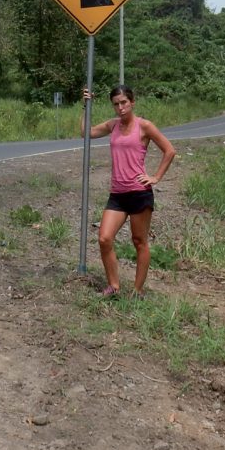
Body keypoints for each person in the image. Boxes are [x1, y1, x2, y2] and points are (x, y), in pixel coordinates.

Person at [82, 85, 176, 298]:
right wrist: (86, 106)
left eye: (124, 102)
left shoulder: (144, 126)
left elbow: (169, 150)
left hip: (139, 193)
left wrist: (156, 177)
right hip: (117, 194)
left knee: (139, 241)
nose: (121, 108)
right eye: (116, 104)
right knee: (104, 239)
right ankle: (113, 286)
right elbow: (85, 133)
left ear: (132, 102)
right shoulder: (112, 126)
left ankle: (138, 290)